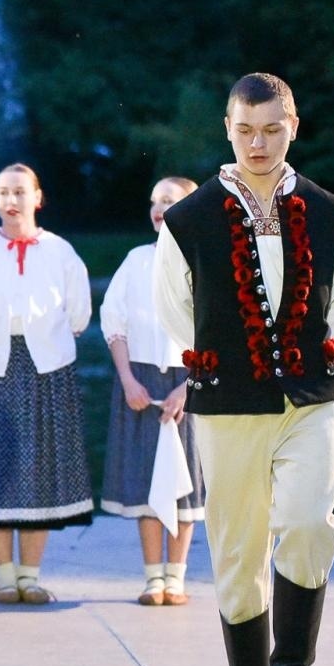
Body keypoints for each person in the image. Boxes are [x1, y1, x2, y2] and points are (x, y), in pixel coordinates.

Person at [154, 73, 334, 666]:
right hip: (228, 402)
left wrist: (310, 351)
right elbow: (175, 308)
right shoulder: (189, 219)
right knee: (238, 562)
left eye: (271, 128)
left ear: (293, 126)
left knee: (309, 523)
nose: (258, 143)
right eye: (246, 129)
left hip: (312, 394)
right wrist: (224, 362)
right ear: (227, 128)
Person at [0, 163, 93, 604]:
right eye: (2, 193)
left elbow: (79, 317)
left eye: (19, 192)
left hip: (45, 369)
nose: (11, 201)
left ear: (37, 197)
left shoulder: (62, 253)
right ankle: (4, 577)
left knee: (38, 471)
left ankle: (31, 576)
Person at [99, 176, 205, 606]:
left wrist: (188, 388)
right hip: (141, 382)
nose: (159, 208)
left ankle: (176, 577)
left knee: (185, 484)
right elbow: (115, 321)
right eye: (154, 200)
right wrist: (127, 380)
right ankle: (152, 578)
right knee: (145, 481)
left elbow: (216, 334)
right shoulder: (136, 260)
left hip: (190, 382)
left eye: (170, 200)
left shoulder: (206, 262)